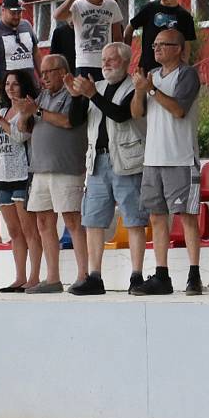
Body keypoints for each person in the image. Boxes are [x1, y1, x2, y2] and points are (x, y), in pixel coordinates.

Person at [64, 42, 149, 295]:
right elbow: (76, 120)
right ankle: (94, 276)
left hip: (125, 159)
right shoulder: (96, 87)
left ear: (124, 62)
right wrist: (76, 96)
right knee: (93, 220)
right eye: (103, 59)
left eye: (111, 59)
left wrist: (91, 95)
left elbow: (121, 115)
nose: (106, 63)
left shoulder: (133, 86)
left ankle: (136, 275)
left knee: (133, 218)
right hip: (97, 161)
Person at [129, 29, 202, 296]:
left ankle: (194, 275)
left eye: (163, 44)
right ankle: (162, 275)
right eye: (155, 44)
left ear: (179, 48)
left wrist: (151, 90)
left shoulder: (187, 74)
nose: (156, 48)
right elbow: (137, 114)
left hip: (180, 157)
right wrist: (140, 92)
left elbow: (179, 109)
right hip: (153, 158)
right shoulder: (152, 77)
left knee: (187, 217)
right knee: (157, 218)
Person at [16, 54, 88, 294]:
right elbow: (23, 127)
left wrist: (36, 111)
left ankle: (82, 275)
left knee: (71, 221)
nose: (43, 77)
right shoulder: (43, 96)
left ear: (63, 71)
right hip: (40, 169)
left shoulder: (73, 94)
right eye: (42, 73)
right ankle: (53, 278)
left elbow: (68, 122)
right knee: (44, 222)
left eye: (49, 72)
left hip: (65, 168)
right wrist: (26, 113)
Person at [0, 70, 42, 292]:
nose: (10, 88)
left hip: (23, 175)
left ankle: (34, 276)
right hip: (4, 176)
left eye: (15, 84)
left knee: (29, 230)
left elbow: (20, 137)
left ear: (23, 86)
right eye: (7, 83)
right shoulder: (2, 111)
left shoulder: (26, 109)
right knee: (14, 231)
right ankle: (20, 276)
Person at [53, 0, 123, 82]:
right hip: (84, 62)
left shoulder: (111, 5)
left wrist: (118, 59)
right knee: (84, 97)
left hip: (106, 62)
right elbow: (57, 16)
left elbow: (118, 37)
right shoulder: (77, 5)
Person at [124, 0, 196, 73]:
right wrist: (126, 54)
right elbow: (129, 29)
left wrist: (183, 67)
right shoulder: (149, 9)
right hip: (147, 67)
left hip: (171, 70)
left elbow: (187, 45)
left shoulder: (185, 16)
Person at [0, 0, 41, 92]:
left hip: (31, 85)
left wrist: (42, 76)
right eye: (13, 13)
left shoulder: (26, 25)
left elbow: (36, 53)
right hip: (9, 90)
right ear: (3, 10)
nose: (16, 16)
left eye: (19, 12)